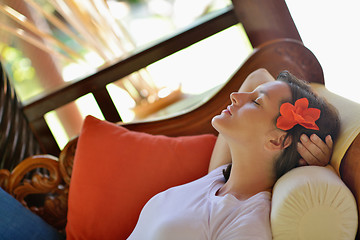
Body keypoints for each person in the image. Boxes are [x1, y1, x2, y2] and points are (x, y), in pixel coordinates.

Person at [127, 68, 340, 240]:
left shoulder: (245, 223)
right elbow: (258, 76)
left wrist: (316, 165)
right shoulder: (218, 177)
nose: (236, 96)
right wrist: (310, 102)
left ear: (277, 140)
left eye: (256, 102)